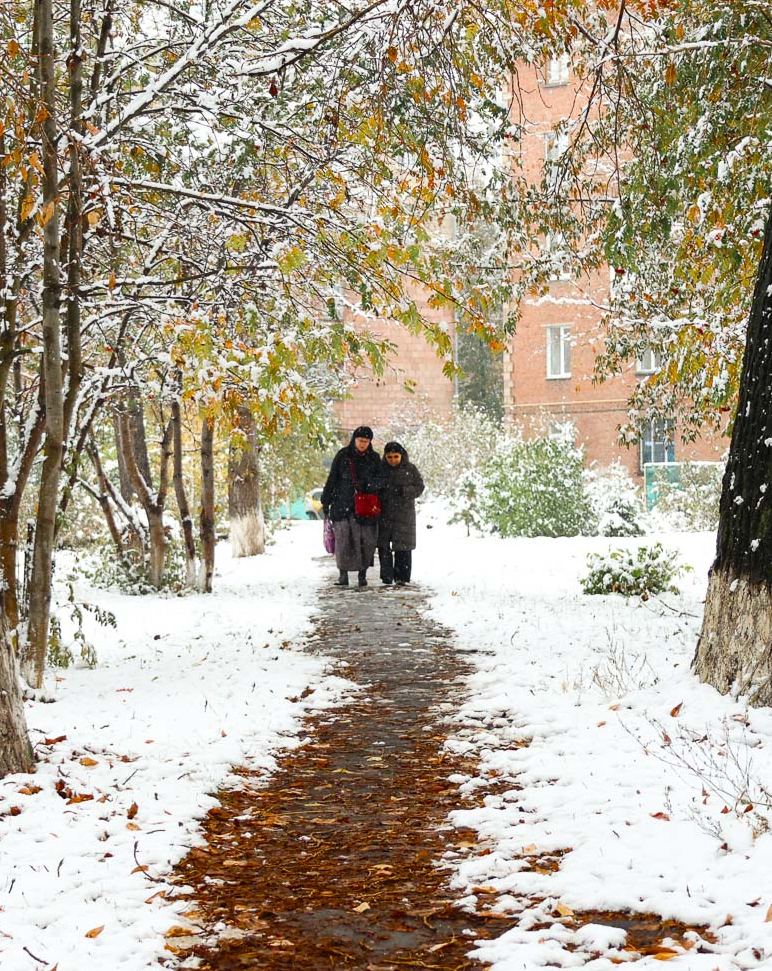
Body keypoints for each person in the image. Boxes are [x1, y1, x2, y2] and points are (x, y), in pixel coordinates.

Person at [321, 426, 383, 588]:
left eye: (366, 441)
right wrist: (325, 500)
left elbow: (380, 480)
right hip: (342, 505)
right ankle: (343, 574)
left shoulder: (374, 458)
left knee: (365, 541)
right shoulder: (343, 456)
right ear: (354, 439)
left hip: (364, 508)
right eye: (360, 440)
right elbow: (332, 478)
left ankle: (362, 574)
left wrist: (367, 485)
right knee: (343, 540)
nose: (363, 444)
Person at [377, 441, 424, 586]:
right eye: (389, 457)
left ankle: (402, 577)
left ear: (401, 455)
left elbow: (419, 487)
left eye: (395, 457)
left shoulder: (410, 469)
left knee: (403, 547)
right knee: (384, 546)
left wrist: (404, 491)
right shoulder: (380, 469)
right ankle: (386, 576)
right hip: (384, 514)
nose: (392, 460)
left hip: (404, 514)